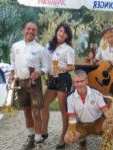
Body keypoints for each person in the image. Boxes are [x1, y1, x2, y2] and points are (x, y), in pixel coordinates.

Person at [8, 22, 48, 150]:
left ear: (36, 32)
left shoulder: (40, 49)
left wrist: (40, 72)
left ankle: (38, 138)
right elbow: (13, 62)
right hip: (20, 82)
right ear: (24, 30)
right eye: (28, 29)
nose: (31, 32)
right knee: (26, 111)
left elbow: (46, 67)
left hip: (34, 84)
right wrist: (11, 74)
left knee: (36, 112)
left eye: (34, 30)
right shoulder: (16, 46)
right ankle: (31, 135)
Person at [64, 70, 113, 150]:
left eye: (82, 81)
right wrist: (70, 130)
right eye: (77, 82)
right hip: (81, 125)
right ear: (74, 83)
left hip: (98, 122)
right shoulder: (70, 98)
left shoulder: (96, 93)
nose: (79, 84)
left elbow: (105, 110)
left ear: (86, 81)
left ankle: (109, 144)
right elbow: (72, 117)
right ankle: (82, 141)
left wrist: (109, 117)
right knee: (67, 139)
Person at [41, 22, 74, 150]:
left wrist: (62, 68)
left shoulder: (68, 49)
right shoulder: (49, 45)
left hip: (63, 79)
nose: (61, 34)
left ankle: (63, 136)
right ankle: (44, 130)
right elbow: (46, 62)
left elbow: (71, 67)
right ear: (56, 31)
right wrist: (47, 75)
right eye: (60, 31)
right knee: (43, 105)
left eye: (64, 32)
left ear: (67, 36)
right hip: (52, 79)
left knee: (63, 110)